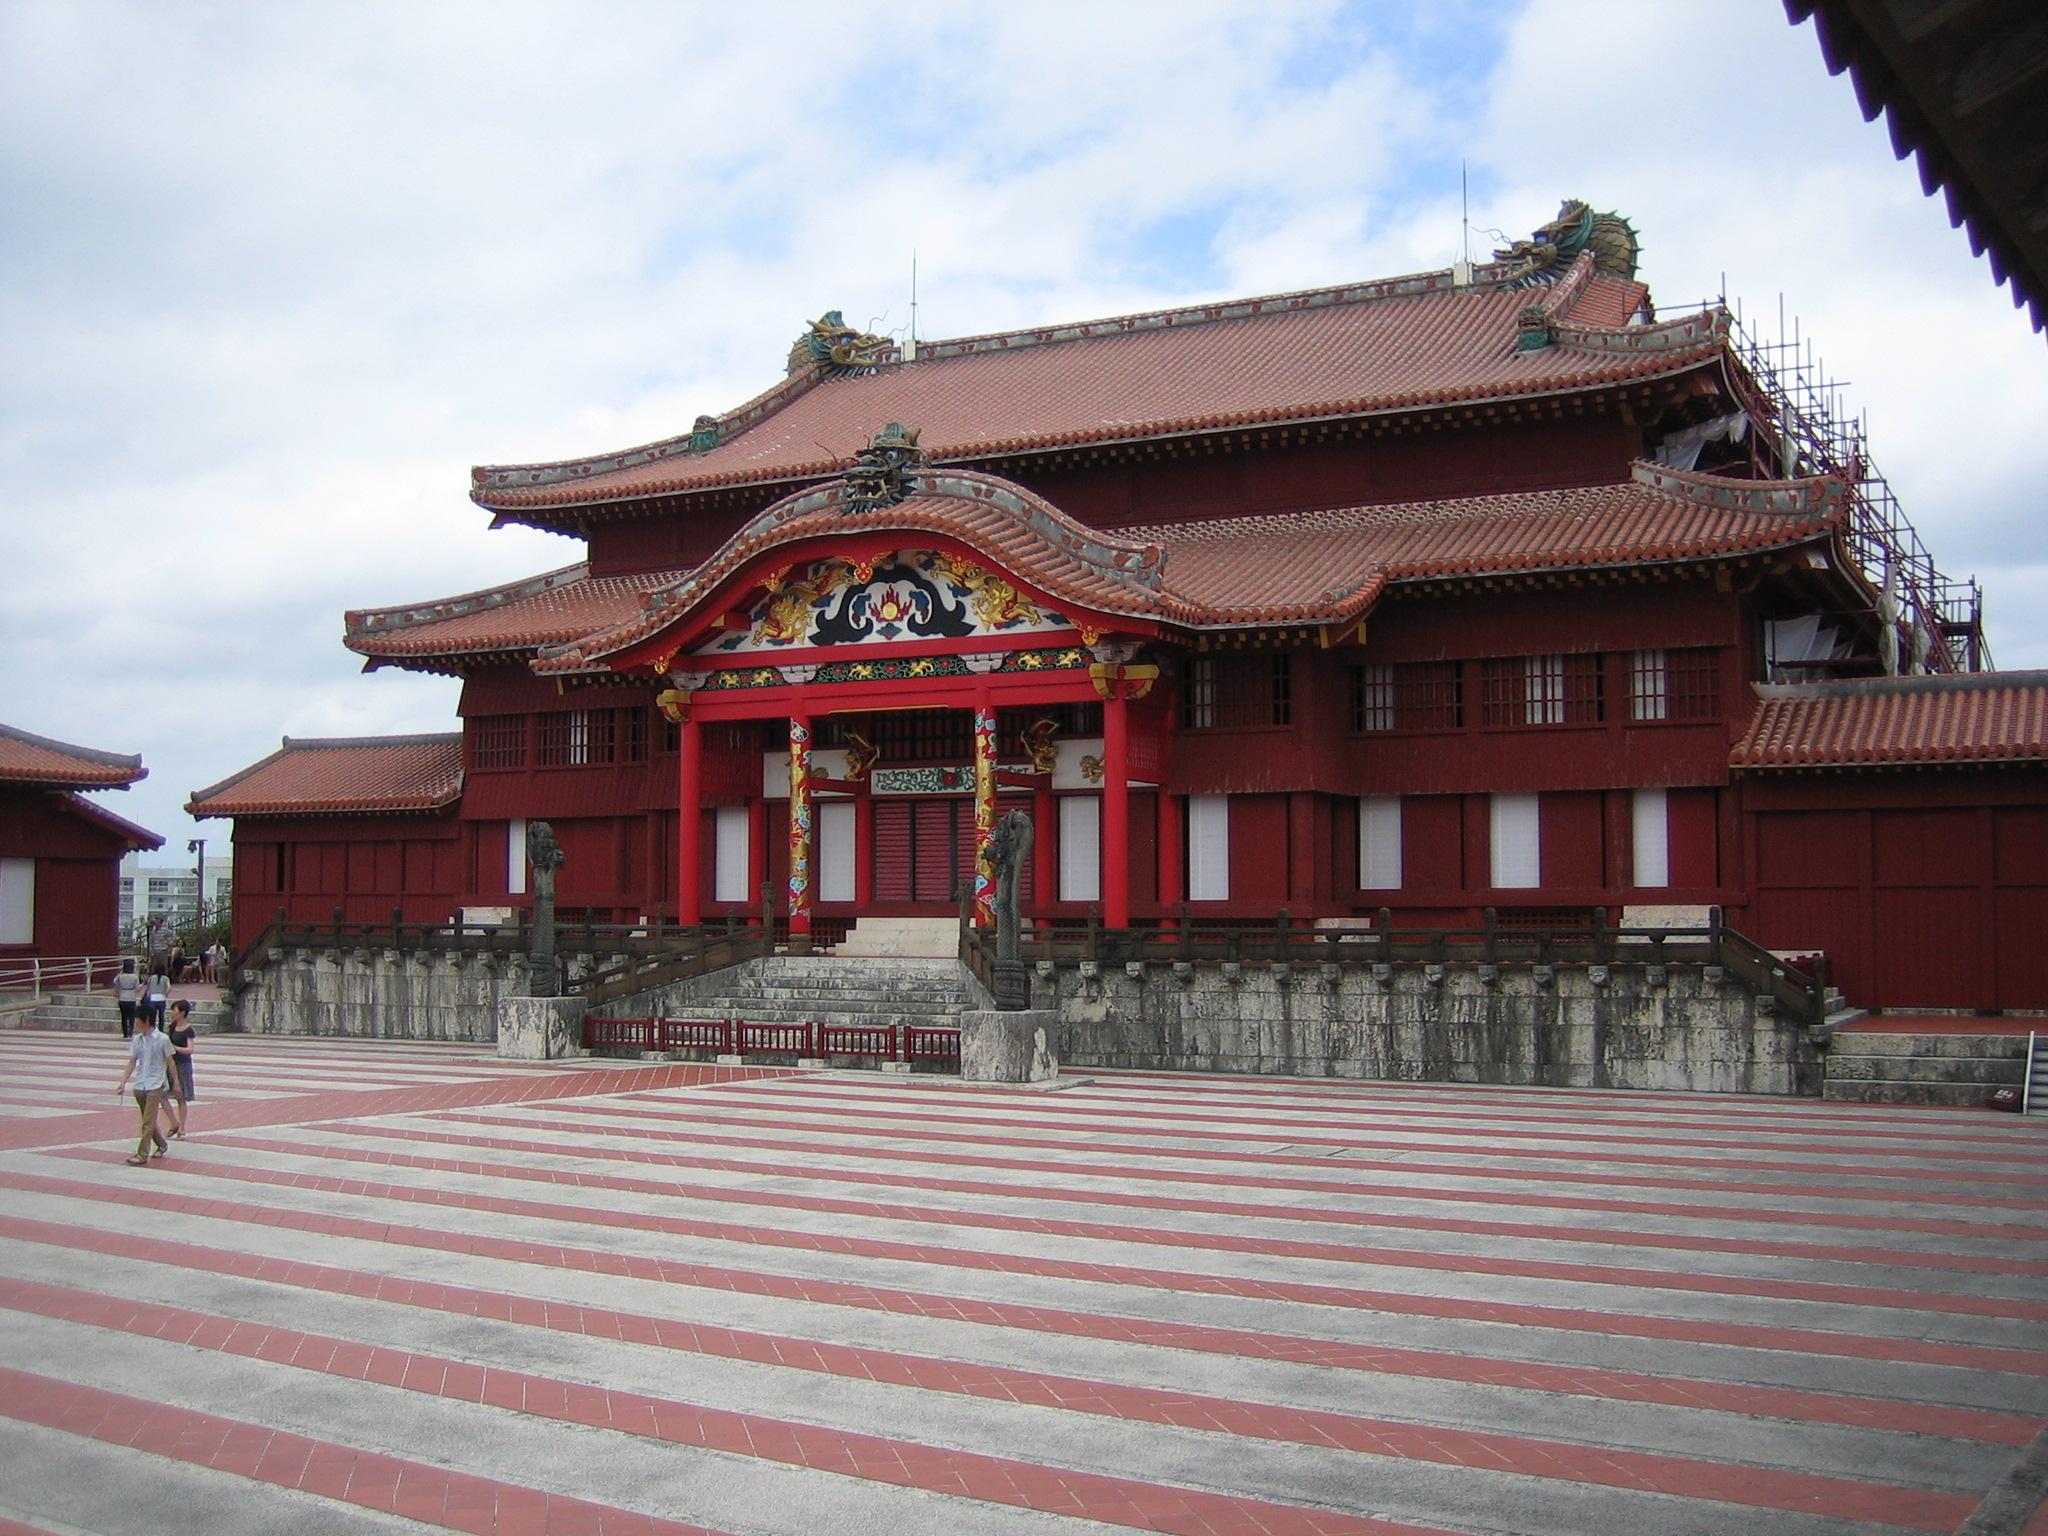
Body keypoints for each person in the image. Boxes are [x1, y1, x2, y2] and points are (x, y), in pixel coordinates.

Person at [113, 1008, 172, 1166]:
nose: (136, 1022)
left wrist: (176, 1084)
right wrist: (123, 1082)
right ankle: (162, 1144)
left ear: (146, 1019)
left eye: (138, 1019)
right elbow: (132, 1061)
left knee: (147, 1121)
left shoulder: (162, 1039)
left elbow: (170, 1062)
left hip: (156, 1084)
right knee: (148, 1120)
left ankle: (142, 1154)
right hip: (140, 1084)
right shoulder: (137, 1040)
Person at [163, 999, 196, 1137]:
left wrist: (174, 1048)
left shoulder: (188, 1029)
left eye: (174, 1010)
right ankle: (173, 1122)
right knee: (162, 1095)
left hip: (183, 1065)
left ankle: (182, 1127)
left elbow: (190, 1049)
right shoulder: (171, 1027)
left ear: (182, 1013)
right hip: (171, 1065)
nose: (172, 1013)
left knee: (181, 1097)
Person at [111, 959, 141, 1039]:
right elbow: (137, 989)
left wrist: (120, 973)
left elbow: (114, 981)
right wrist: (142, 985)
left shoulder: (121, 976)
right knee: (131, 1016)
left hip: (122, 998)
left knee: (124, 1017)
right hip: (131, 998)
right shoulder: (135, 977)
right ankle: (130, 1031)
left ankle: (125, 1033)